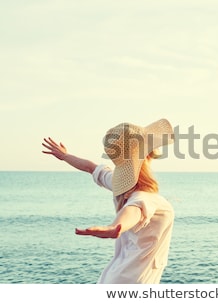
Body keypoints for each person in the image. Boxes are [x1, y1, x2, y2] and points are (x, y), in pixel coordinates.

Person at [42, 118, 175, 284]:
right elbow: (133, 212)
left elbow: (90, 167)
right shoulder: (145, 199)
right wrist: (113, 228)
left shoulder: (119, 185)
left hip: (115, 278)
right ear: (148, 154)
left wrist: (65, 156)